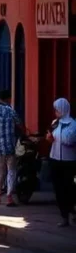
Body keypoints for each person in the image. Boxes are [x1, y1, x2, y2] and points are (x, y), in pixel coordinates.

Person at [0, 88, 22, 207]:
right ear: (9, 99)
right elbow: (20, 125)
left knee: (0, 172)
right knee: (11, 171)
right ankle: (9, 197)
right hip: (11, 146)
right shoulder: (11, 111)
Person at [47, 98, 76, 228]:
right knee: (58, 189)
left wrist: (56, 137)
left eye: (57, 109)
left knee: (68, 188)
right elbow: (50, 137)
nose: (56, 112)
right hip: (55, 159)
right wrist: (49, 138)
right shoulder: (55, 123)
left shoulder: (72, 124)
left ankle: (71, 212)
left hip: (68, 161)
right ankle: (64, 216)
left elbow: (69, 140)